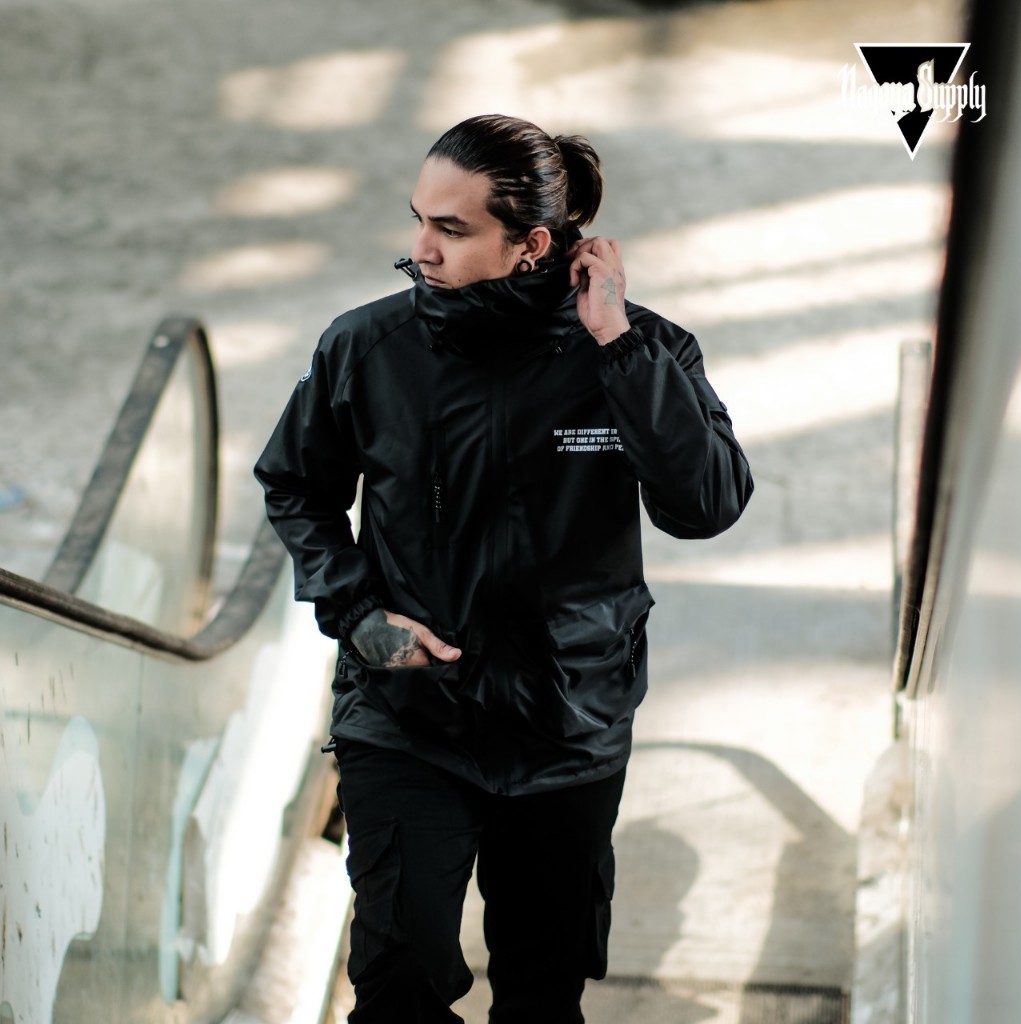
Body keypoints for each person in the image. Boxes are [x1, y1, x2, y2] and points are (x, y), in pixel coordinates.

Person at [254, 113, 753, 1023]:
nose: (421, 249)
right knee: (396, 986)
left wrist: (618, 347)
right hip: (410, 716)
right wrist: (358, 614)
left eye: (451, 229)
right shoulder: (367, 349)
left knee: (540, 997)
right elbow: (295, 485)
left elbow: (706, 504)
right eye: (419, 220)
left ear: (531, 245)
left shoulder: (643, 351)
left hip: (570, 726)